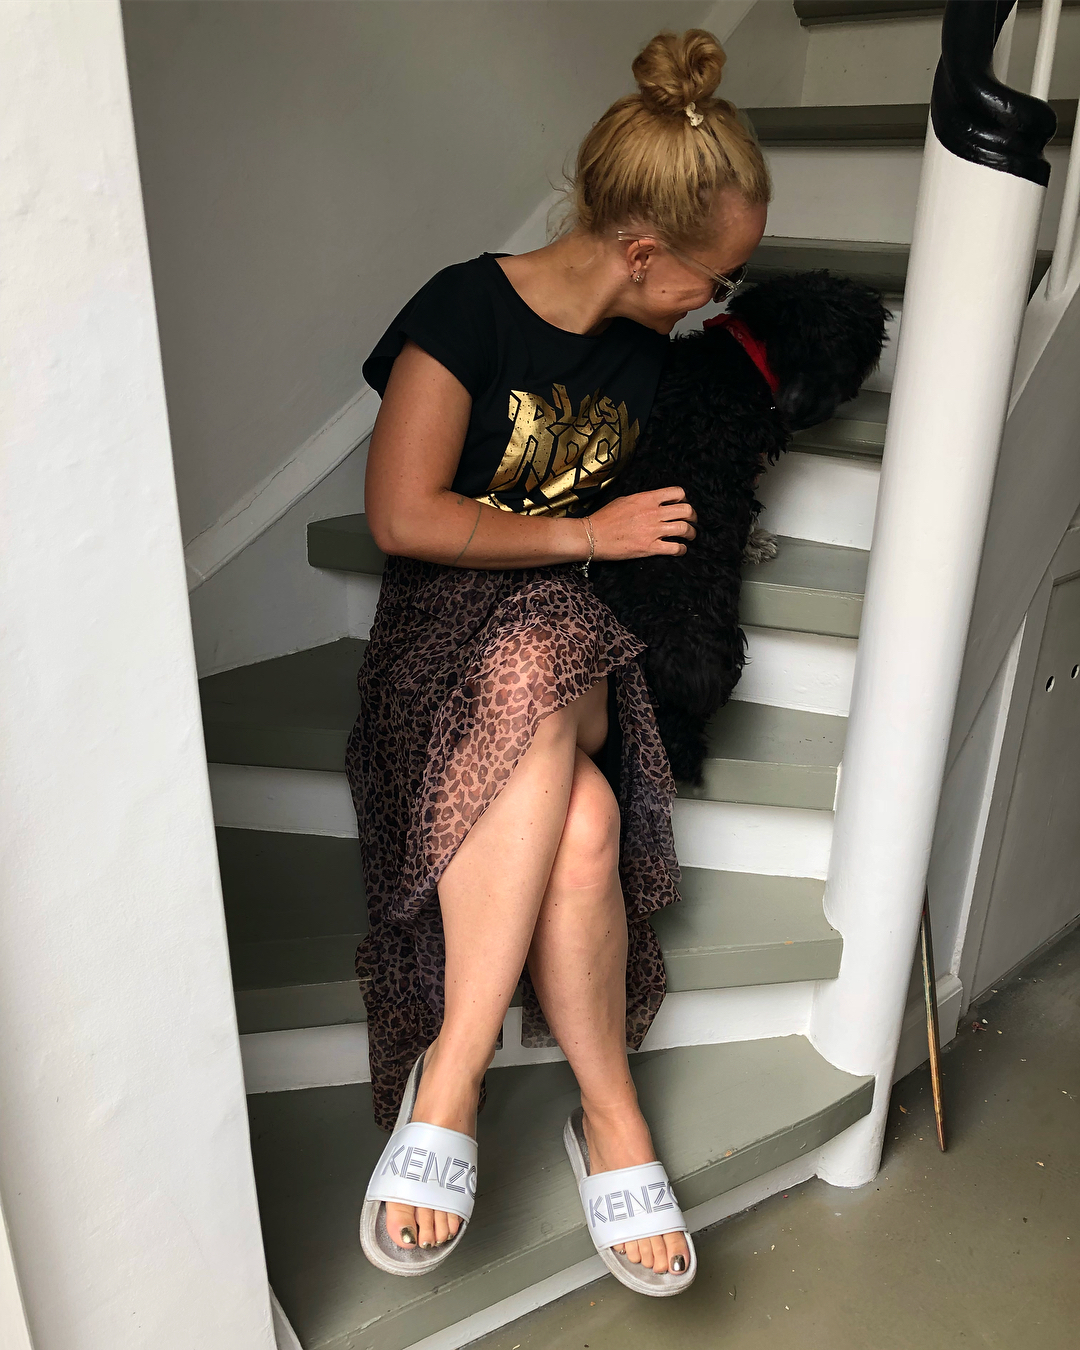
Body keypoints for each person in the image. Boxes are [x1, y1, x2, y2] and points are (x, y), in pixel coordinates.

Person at [349, 27, 769, 1289]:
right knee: (584, 829)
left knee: (545, 647)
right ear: (644, 252)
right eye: (718, 277)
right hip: (437, 642)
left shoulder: (647, 356)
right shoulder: (464, 310)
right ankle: (609, 1114)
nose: (717, 300)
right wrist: (588, 533)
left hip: (565, 645)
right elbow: (402, 516)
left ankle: (450, 1078)